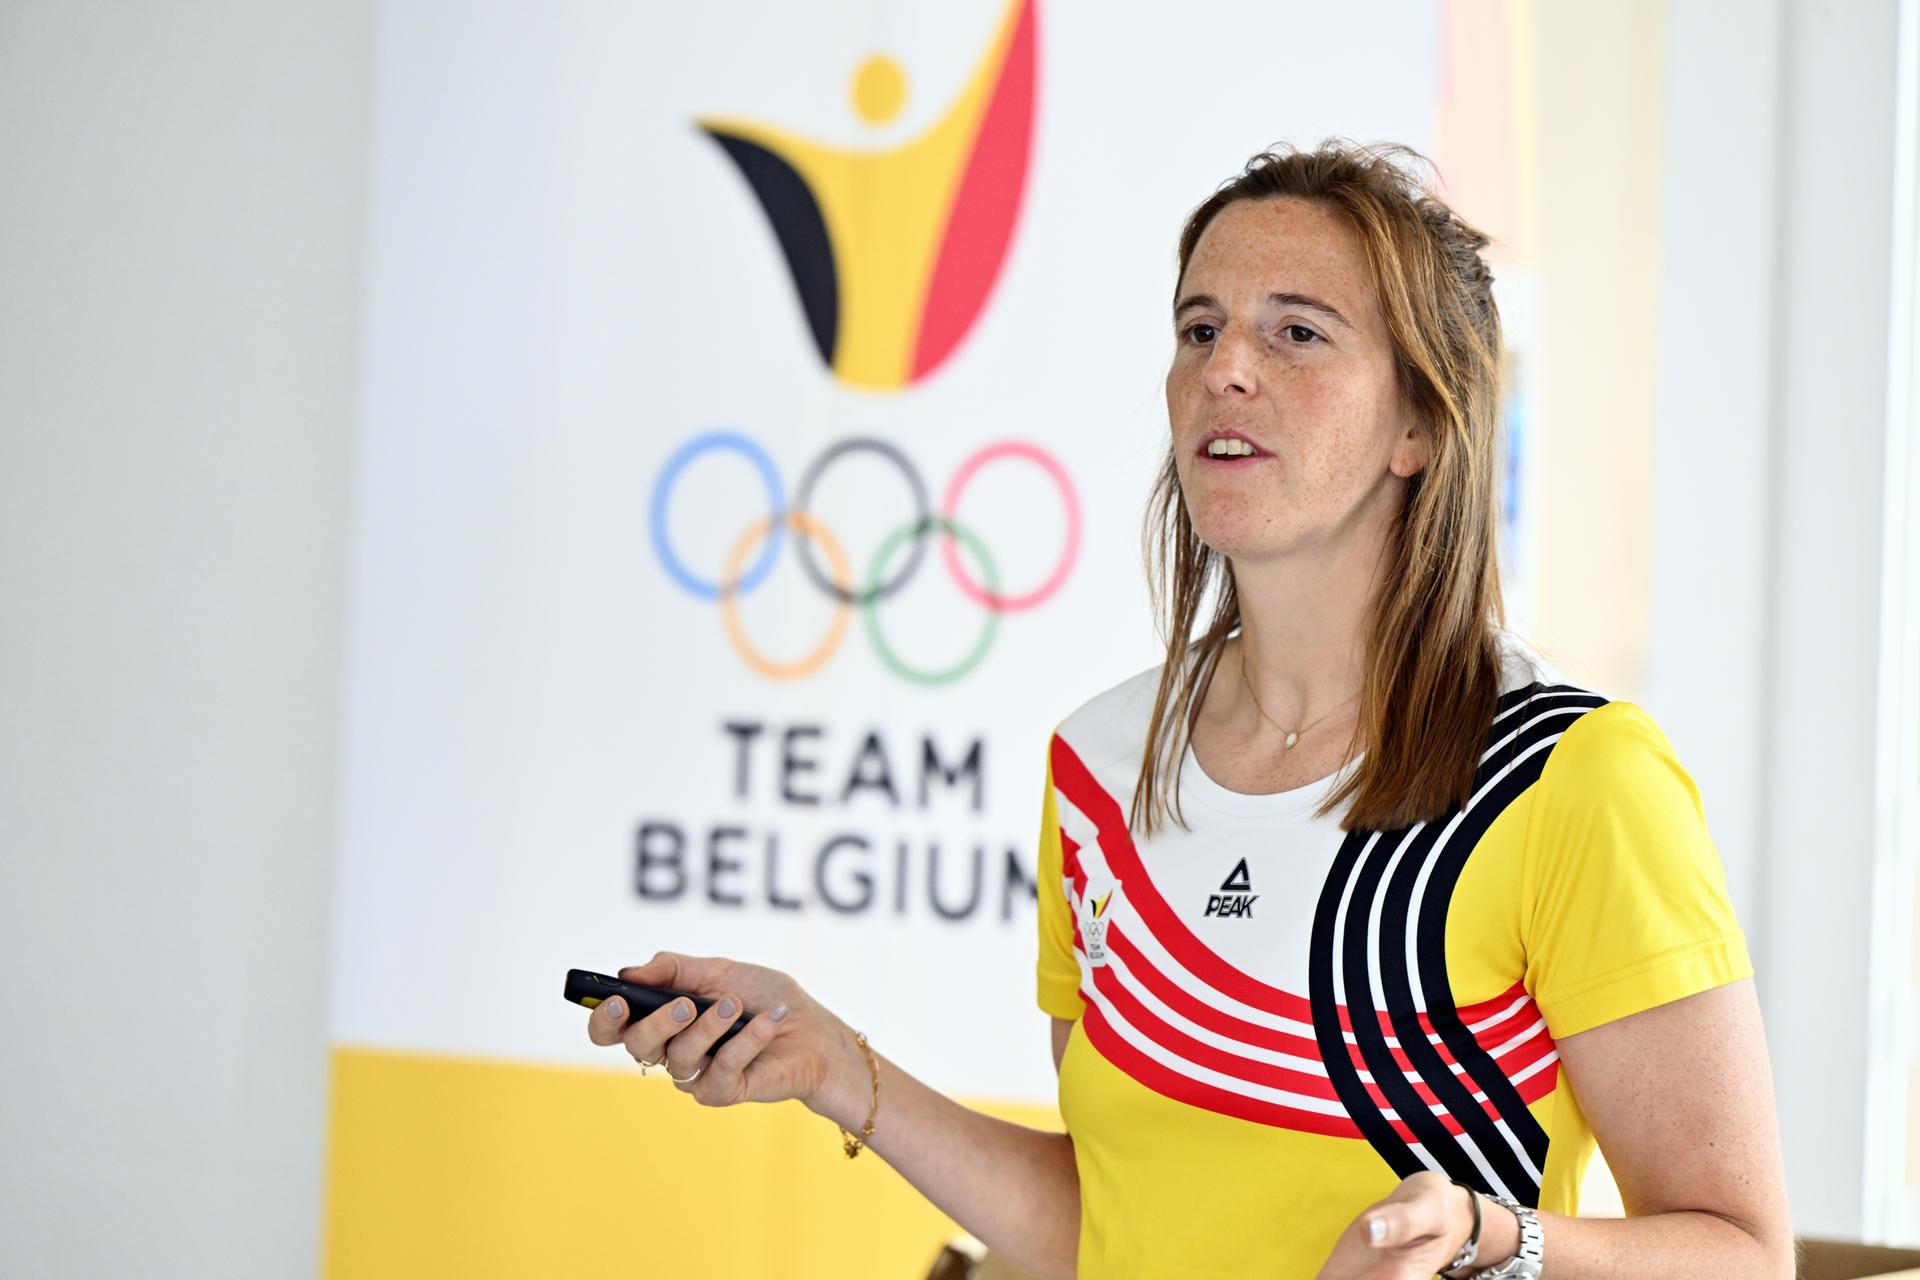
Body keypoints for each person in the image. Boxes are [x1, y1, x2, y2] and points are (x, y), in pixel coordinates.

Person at [585, 139, 1793, 1279]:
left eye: (1298, 331)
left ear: (1420, 424)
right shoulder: (1100, 764)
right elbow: (1110, 1224)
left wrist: (1493, 1235)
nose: (1225, 366)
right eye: (1198, 327)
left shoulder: (1568, 778)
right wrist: (830, 1060)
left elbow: (1745, 1254)